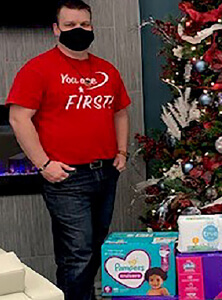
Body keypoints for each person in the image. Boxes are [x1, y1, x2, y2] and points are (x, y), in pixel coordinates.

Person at [7, 1, 131, 299]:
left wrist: (122, 152)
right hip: (65, 178)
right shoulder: (38, 69)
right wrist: (43, 164)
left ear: (92, 26)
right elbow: (17, 117)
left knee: (89, 250)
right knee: (78, 254)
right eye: (71, 25)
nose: (79, 30)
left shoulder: (107, 70)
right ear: (56, 29)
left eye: (85, 25)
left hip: (105, 173)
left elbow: (120, 112)